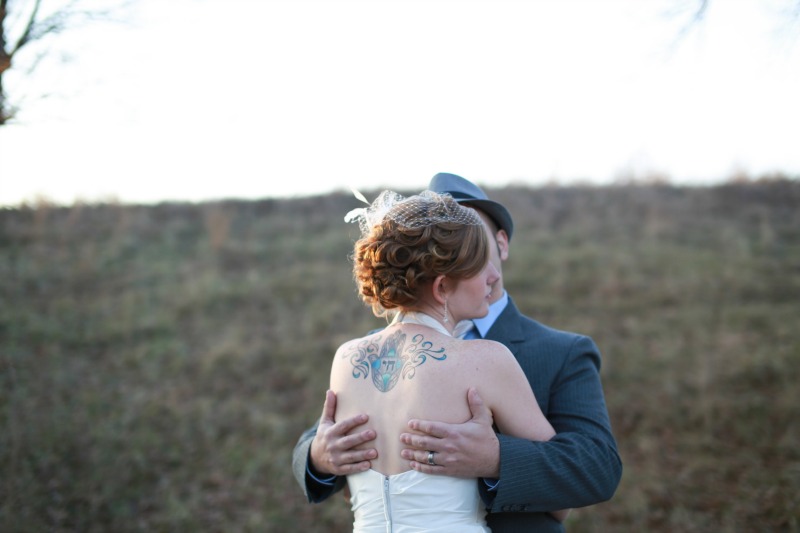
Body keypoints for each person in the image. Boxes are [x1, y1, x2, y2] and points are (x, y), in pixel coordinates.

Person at [292, 174, 622, 532]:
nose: (490, 274)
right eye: (467, 256)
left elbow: (598, 468)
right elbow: (328, 441)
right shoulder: (383, 358)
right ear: (441, 282)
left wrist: (497, 459)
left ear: (502, 242)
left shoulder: (350, 357)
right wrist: (317, 457)